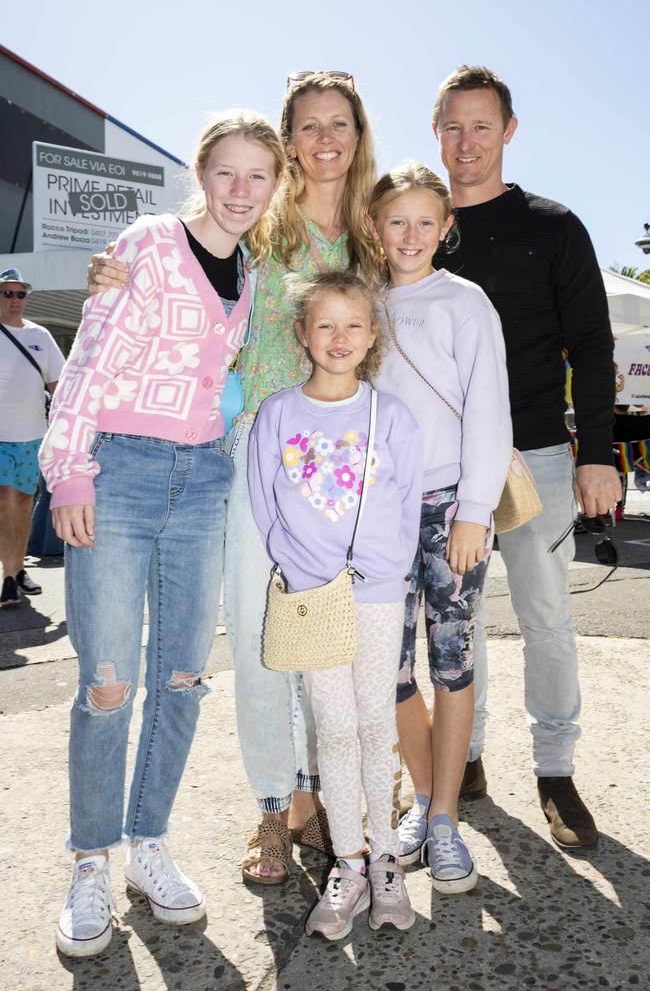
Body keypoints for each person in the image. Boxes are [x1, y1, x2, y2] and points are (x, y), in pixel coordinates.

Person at [87, 72, 378, 885]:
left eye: (340, 124)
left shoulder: (375, 233)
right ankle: (271, 808)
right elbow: (177, 247)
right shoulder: (261, 226)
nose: (326, 139)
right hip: (252, 446)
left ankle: (327, 796)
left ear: (358, 136)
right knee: (256, 636)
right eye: (310, 126)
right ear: (289, 143)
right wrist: (112, 270)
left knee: (330, 635)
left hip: (342, 456)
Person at [39, 110, 284, 958]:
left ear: (274, 185)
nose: (241, 190)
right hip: (120, 473)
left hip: (204, 480)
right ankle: (89, 865)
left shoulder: (251, 273)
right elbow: (93, 351)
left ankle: (148, 844)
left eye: (259, 175)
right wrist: (69, 467)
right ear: (202, 172)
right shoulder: (147, 239)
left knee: (181, 679)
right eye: (227, 173)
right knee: (108, 685)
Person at [430, 65, 620, 850]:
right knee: (455, 622)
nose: (465, 142)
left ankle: (554, 770)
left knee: (545, 619)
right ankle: (464, 760)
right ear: (434, 133)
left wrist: (598, 455)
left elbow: (594, 345)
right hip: (444, 465)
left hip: (536, 450)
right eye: (451, 126)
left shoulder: (554, 224)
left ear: (508, 131)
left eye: (481, 126)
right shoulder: (417, 227)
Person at [248, 270, 422, 938]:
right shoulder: (279, 414)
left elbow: (407, 505)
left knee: (377, 724)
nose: (340, 337)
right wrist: (302, 569)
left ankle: (385, 860)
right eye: (326, 324)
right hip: (314, 598)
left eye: (354, 324)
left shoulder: (391, 416)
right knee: (336, 730)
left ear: (372, 336)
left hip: (377, 594)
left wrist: (385, 569)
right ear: (303, 334)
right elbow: (267, 503)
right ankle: (347, 861)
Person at [368, 164, 512, 890]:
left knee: (450, 662)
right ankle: (421, 801)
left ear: (446, 229)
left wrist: (475, 512)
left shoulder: (465, 303)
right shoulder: (361, 302)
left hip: (452, 509)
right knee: (389, 668)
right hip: (377, 518)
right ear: (375, 226)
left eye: (427, 222)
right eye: (398, 221)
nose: (412, 236)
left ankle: (450, 817)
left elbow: (490, 410)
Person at [0, 268, 64, 606]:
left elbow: (60, 386)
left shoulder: (40, 336)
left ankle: (17, 568)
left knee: (23, 503)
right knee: (5, 501)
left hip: (31, 437)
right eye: (7, 294)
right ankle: (9, 577)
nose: (14, 301)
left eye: (19, 294)